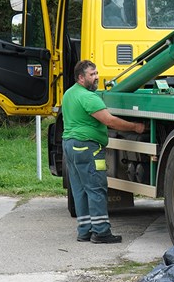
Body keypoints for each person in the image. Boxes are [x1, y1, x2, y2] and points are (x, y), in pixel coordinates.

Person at [62, 59, 145, 243]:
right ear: (81, 78)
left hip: (70, 146)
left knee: (80, 190)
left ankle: (84, 231)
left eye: (97, 73)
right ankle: (101, 232)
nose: (97, 77)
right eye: (92, 75)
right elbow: (110, 121)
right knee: (96, 188)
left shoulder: (69, 93)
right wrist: (135, 127)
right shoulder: (88, 97)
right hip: (87, 148)